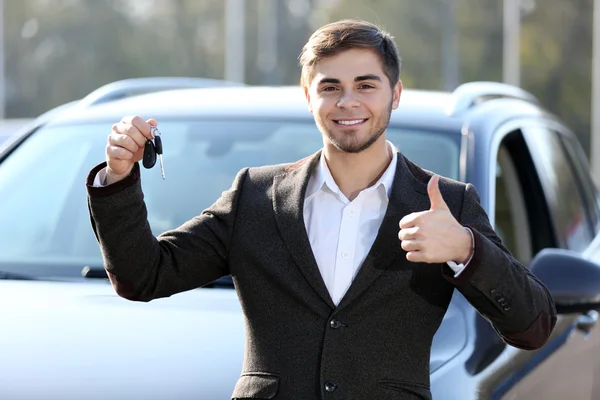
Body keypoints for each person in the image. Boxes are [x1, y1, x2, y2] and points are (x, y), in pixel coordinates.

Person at [86, 19, 556, 400]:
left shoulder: (448, 205)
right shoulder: (254, 196)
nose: (347, 102)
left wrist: (465, 248)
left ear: (395, 94)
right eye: (330, 87)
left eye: (365, 85)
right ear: (308, 96)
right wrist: (119, 178)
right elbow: (143, 276)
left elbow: (533, 327)